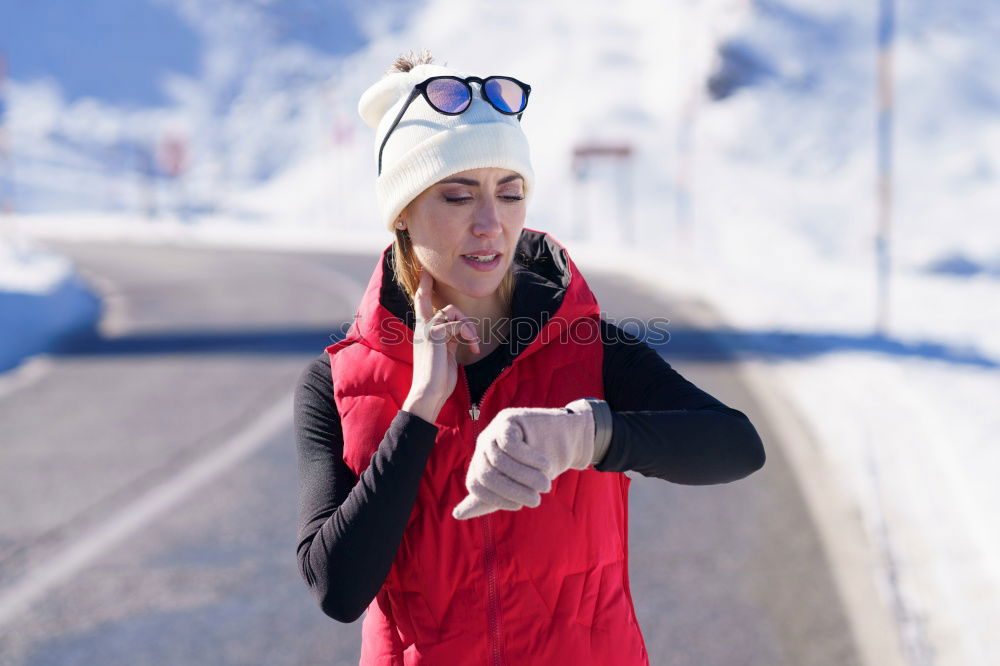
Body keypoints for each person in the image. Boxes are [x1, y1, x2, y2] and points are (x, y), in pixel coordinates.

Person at [294, 50, 766, 666]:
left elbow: (736, 447)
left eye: (510, 193)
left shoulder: (588, 346)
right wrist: (419, 410)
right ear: (404, 215)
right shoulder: (336, 381)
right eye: (459, 196)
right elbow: (338, 588)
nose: (491, 223)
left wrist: (584, 436)